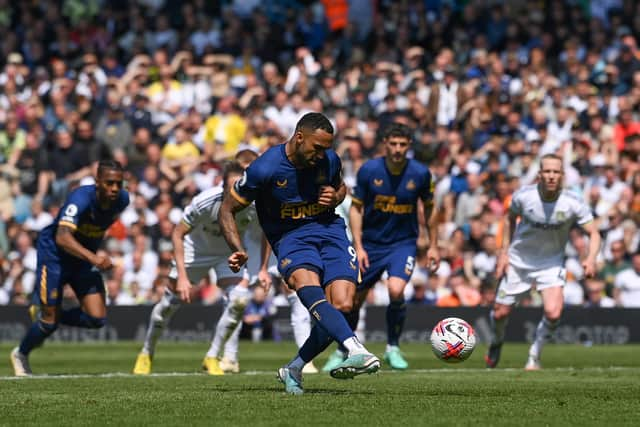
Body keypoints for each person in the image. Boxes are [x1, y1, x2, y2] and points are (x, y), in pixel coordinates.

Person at [219, 112, 380, 395]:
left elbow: (341, 188)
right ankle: (355, 347)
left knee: (342, 305)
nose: (322, 154)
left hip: (330, 230)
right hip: (291, 238)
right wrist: (238, 249)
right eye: (317, 147)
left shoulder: (328, 159)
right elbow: (227, 208)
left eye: (326, 148)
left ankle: (293, 368)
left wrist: (336, 196)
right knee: (308, 288)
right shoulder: (265, 168)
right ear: (299, 137)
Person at [323, 123, 441, 371]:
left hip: (403, 244)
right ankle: (344, 348)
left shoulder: (420, 174)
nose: (398, 149)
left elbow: (430, 208)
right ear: (385, 144)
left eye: (403, 145)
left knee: (396, 290)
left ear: (409, 146)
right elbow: (356, 208)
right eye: (393, 144)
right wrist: (359, 245)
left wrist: (433, 245)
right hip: (372, 244)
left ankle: (392, 347)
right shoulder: (369, 171)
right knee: (353, 301)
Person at [133, 161, 267, 375]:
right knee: (168, 306)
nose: (235, 194)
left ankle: (212, 356)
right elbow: (177, 234)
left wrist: (262, 269)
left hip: (226, 254)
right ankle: (146, 352)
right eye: (230, 189)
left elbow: (265, 232)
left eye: (239, 188)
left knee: (240, 299)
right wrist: (184, 278)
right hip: (195, 252)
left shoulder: (253, 205)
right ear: (222, 187)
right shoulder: (204, 202)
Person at [10, 160, 130, 376]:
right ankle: (21, 353)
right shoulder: (80, 199)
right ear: (97, 182)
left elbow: (94, 229)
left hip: (82, 258)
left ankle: (48, 313)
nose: (114, 188)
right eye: (109, 183)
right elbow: (63, 237)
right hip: (55, 255)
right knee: (48, 324)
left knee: (96, 319)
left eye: (118, 184)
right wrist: (94, 258)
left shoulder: (123, 200)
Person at [486, 154, 601, 370]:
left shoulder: (573, 202)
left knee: (553, 312)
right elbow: (509, 220)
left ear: (562, 176)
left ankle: (534, 356)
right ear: (540, 174)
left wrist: (591, 258)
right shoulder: (523, 196)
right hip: (519, 262)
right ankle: (496, 342)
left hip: (550, 263)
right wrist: (504, 253)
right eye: (547, 171)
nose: (551, 176)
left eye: (556, 172)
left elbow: (594, 232)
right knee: (500, 313)